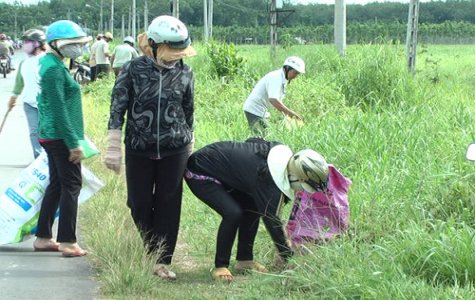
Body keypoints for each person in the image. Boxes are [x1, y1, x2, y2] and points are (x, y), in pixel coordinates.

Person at [104, 15, 196, 280]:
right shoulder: (134, 69)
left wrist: (189, 140)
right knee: (138, 202)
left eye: (180, 51)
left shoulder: (185, 71)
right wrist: (113, 143)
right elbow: (118, 105)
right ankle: (151, 246)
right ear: (153, 45)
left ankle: (161, 259)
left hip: (174, 148)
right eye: (171, 51)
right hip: (138, 147)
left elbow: (188, 109)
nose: (176, 56)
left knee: (168, 203)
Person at [184, 138, 329, 282]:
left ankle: (244, 260)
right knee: (233, 213)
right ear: (297, 177)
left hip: (217, 166)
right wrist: (287, 255)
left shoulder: (277, 158)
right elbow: (272, 219)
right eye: (303, 186)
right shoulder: (269, 182)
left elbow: (251, 141)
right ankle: (220, 266)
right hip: (200, 170)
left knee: (253, 206)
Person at [33, 20, 91, 257]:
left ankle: (43, 237)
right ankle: (67, 241)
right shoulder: (54, 69)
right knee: (72, 185)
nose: (76, 48)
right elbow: (58, 110)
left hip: (52, 135)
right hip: (58, 136)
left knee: (57, 184)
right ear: (56, 44)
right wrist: (73, 143)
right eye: (72, 44)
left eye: (79, 43)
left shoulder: (53, 63)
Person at [8, 28, 47, 159]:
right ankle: (38, 158)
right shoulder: (24, 63)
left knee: (46, 132)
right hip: (29, 104)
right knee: (34, 132)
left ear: (37, 43)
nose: (24, 45)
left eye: (27, 42)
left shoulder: (47, 60)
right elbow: (19, 83)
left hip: (46, 104)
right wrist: (13, 98)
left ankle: (48, 157)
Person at [243, 56, 306, 136]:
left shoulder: (282, 78)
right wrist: (290, 113)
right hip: (254, 109)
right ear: (287, 69)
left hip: (262, 111)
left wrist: (284, 116)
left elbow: (277, 100)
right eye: (295, 73)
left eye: (298, 74)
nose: (295, 76)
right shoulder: (276, 78)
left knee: (267, 137)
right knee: (261, 139)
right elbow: (273, 100)